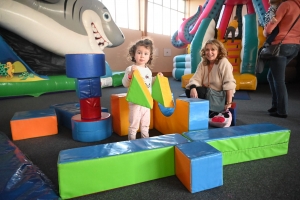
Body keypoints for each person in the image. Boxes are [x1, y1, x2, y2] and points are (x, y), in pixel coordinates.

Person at [263, 0, 300, 118]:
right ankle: (275, 106)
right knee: (271, 76)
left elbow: (269, 29)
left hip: (281, 46)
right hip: (295, 47)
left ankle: (282, 111)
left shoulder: (286, 5)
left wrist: (265, 30)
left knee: (279, 80)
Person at [122, 38, 163, 140]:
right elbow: (125, 83)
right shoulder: (131, 68)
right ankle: (132, 144)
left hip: (146, 102)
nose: (142, 56)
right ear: (133, 54)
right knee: (134, 125)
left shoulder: (148, 71)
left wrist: (157, 78)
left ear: (150, 56)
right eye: (139, 52)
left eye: (145, 53)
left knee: (145, 125)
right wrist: (131, 74)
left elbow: (149, 82)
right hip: (135, 102)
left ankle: (146, 144)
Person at [185, 39, 236, 115]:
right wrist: (193, 87)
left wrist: (229, 103)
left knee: (200, 92)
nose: (209, 53)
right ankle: (207, 110)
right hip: (208, 93)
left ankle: (212, 110)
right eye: (207, 50)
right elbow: (196, 78)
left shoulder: (223, 62)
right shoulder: (203, 63)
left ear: (218, 51)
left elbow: (229, 83)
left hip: (220, 96)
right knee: (189, 90)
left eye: (213, 50)